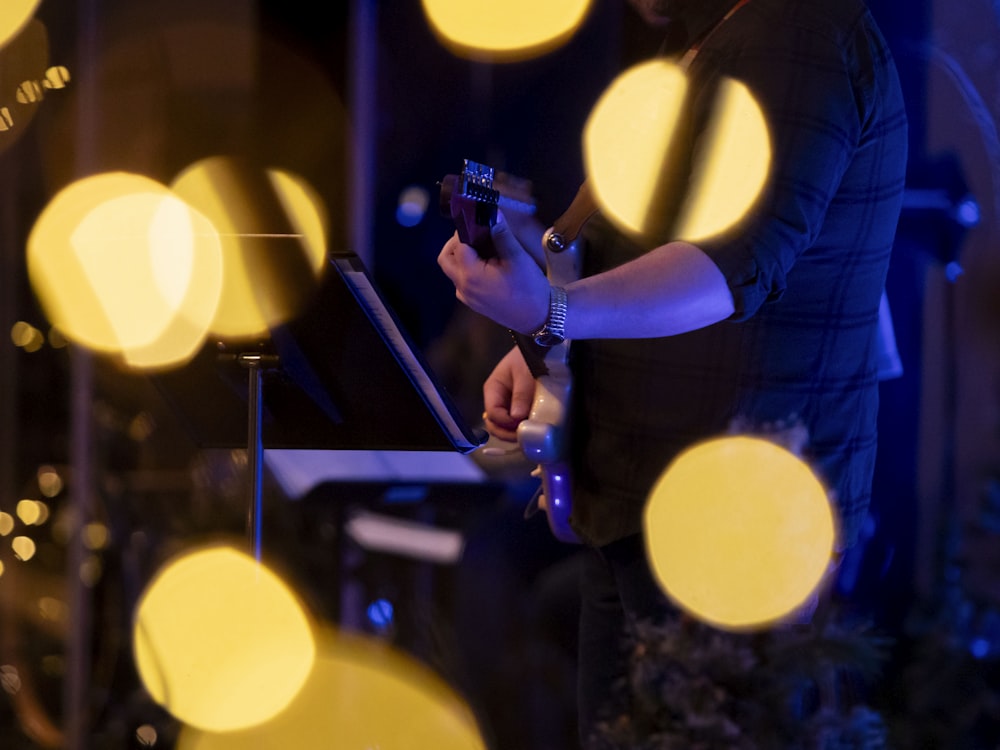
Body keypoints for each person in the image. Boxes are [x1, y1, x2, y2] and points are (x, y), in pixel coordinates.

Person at [437, 0, 908, 745]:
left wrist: (551, 312)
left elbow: (729, 267)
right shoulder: (705, 43)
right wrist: (538, 348)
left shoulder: (799, 33)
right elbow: (630, 250)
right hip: (640, 507)